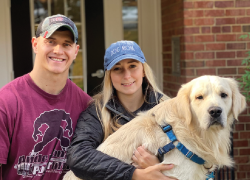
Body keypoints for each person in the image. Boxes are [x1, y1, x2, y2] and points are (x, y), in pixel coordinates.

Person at [66, 40, 177, 180]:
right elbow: (78, 156)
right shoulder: (97, 112)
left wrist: (157, 165)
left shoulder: (168, 109)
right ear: (109, 76)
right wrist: (134, 174)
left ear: (143, 70)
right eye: (117, 69)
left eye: (132, 66)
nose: (127, 76)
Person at [0, 14, 91, 180]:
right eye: (51, 41)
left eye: (66, 44)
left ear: (75, 51)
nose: (58, 50)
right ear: (35, 44)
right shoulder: (6, 102)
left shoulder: (86, 105)